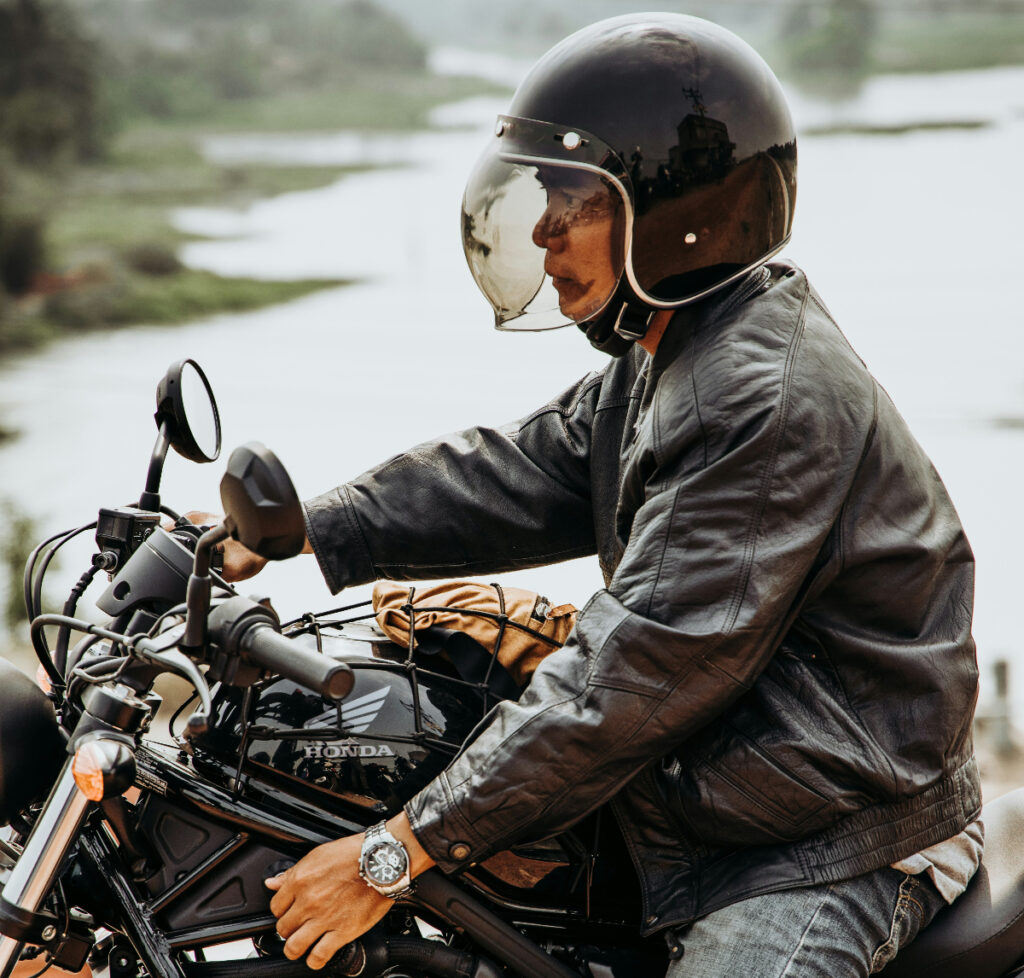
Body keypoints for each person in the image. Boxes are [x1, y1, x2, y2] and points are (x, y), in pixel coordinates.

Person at [212, 14, 983, 976]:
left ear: (671, 213)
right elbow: (521, 468)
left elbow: (637, 672)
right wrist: (305, 530)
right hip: (721, 801)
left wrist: (395, 855)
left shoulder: (760, 397)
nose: (540, 230)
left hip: (831, 842)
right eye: (538, 198)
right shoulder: (672, 348)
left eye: (568, 200)